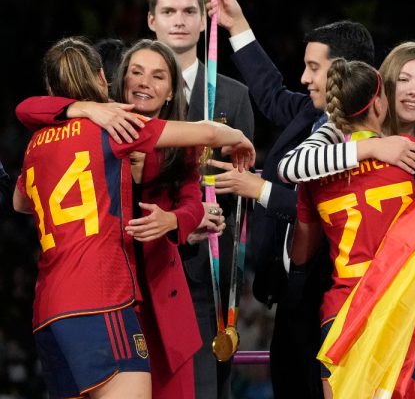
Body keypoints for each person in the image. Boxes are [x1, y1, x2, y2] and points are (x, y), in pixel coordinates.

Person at [12, 37, 254, 399]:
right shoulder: (117, 127)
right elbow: (207, 131)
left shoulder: (36, 144)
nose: (145, 82)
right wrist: (239, 138)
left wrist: (176, 220)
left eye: (158, 76)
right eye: (137, 72)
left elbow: (20, 202)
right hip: (105, 297)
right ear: (107, 79)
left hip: (55, 304)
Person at [205, 0, 401, 398]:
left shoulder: (374, 140)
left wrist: (259, 189)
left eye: (314, 67)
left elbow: (336, 210)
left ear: (344, 70)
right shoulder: (310, 116)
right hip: (293, 295)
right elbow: (271, 93)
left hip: (335, 294)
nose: (304, 77)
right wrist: (237, 25)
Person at [290, 58, 415, 398]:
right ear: (380, 104)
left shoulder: (313, 176)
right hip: (405, 313)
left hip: (341, 317)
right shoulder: (411, 155)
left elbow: (301, 254)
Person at [147, 0, 255, 397]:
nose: (179, 21)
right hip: (149, 260)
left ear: (204, 20)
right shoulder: (128, 91)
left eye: (189, 11)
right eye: (168, 11)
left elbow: (244, 183)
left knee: (209, 386)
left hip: (212, 269)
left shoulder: (234, 96)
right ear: (152, 20)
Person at [277, 41, 415, 187]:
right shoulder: (346, 122)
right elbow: (289, 167)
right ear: (382, 91)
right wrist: (373, 147)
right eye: (403, 80)